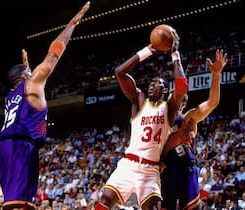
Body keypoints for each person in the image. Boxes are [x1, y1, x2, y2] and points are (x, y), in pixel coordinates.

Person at [0, 2, 90, 210]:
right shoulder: (33, 83)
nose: (33, 73)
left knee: (18, 202)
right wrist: (72, 24)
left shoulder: (11, 95)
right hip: (20, 145)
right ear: (24, 76)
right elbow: (53, 54)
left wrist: (26, 66)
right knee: (20, 205)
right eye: (29, 72)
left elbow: (25, 93)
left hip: (4, 147)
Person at [94, 27, 188, 210]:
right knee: (104, 201)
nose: (152, 85)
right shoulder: (139, 101)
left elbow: (182, 87)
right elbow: (119, 72)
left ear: (166, 90)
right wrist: (146, 51)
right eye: (151, 82)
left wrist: (175, 54)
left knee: (151, 207)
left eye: (158, 83)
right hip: (128, 164)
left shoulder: (168, 108)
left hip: (150, 169)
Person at [160, 49, 228, 210]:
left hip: (186, 168)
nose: (180, 103)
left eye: (183, 101)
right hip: (167, 170)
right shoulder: (159, 122)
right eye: (176, 100)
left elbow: (212, 103)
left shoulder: (188, 118)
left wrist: (216, 75)